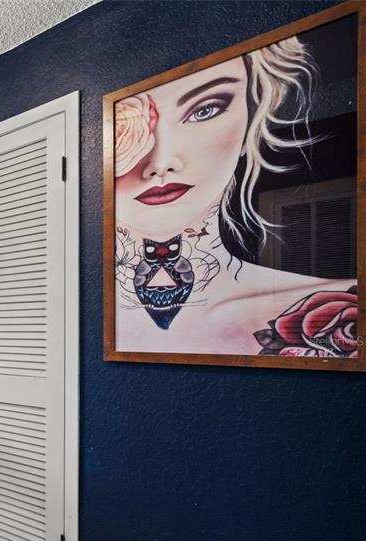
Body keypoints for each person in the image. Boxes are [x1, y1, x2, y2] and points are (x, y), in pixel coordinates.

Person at [113, 36, 357, 358]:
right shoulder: (72, 308)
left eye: (205, 110)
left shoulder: (343, 313)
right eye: (128, 127)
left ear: (249, 125)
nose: (161, 162)